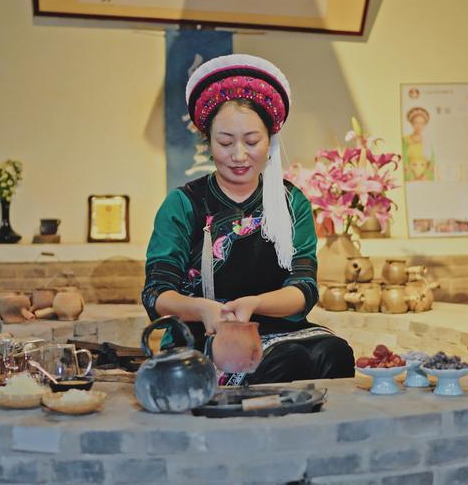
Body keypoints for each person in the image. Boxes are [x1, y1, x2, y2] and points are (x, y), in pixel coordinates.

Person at [142, 54, 354, 386]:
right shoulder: (183, 203)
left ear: (270, 141)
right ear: (208, 142)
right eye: (225, 142)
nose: (239, 155)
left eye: (252, 141)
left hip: (282, 329)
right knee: (286, 362)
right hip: (205, 334)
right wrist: (204, 310)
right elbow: (157, 293)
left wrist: (254, 304)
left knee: (334, 353)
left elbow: (304, 288)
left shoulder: (291, 202)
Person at [402, 106, 435, 181]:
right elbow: (404, 160)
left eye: (422, 123)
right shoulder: (405, 140)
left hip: (425, 176)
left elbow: (432, 161)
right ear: (411, 123)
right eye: (416, 123)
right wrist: (411, 176)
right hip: (410, 175)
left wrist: (425, 175)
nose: (419, 126)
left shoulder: (427, 140)